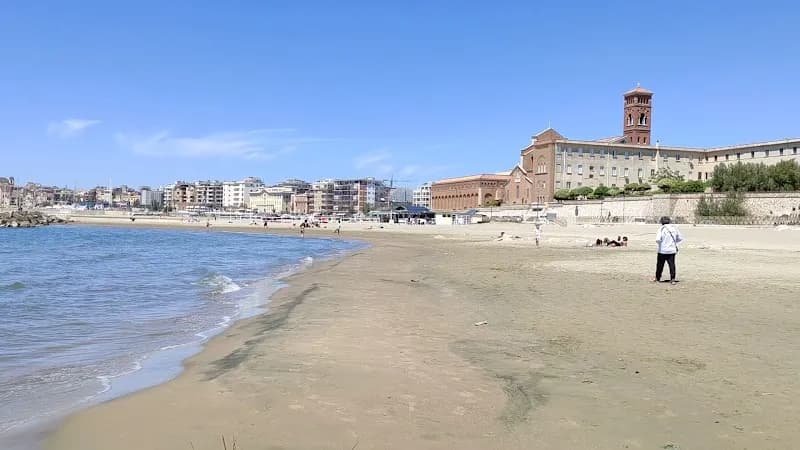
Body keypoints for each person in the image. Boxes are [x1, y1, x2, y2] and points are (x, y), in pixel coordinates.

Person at [653, 216, 683, 284]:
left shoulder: (661, 229)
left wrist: (662, 243)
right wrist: (673, 242)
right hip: (672, 250)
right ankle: (672, 279)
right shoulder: (674, 228)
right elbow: (680, 238)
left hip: (662, 250)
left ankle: (658, 278)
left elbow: (658, 240)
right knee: (672, 265)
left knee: (660, 265)